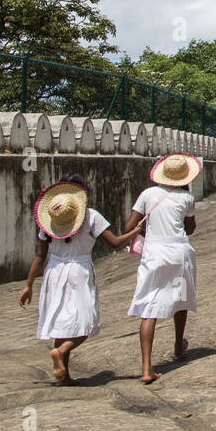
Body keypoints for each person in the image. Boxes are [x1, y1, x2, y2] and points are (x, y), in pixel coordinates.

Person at [19, 173, 142, 385]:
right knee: (86, 323)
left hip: (54, 271)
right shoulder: (90, 216)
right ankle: (61, 351)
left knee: (61, 322)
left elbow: (40, 255)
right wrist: (135, 232)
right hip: (79, 270)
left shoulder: (50, 219)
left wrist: (28, 285)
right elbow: (114, 243)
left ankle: (64, 375)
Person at [125, 153, 200, 385]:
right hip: (179, 251)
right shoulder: (186, 198)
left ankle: (147, 367)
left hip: (155, 253)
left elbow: (130, 226)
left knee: (150, 308)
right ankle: (179, 345)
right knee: (181, 298)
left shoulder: (147, 194)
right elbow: (191, 228)